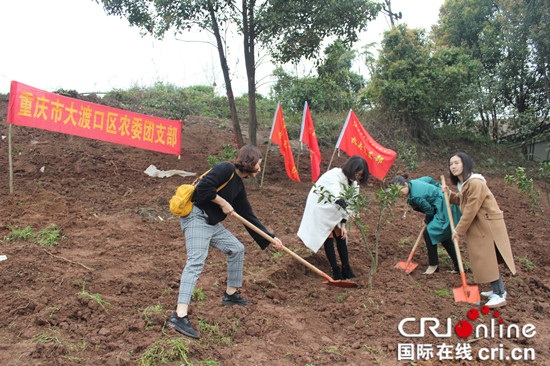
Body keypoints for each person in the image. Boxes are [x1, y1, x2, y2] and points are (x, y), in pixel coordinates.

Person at [167, 145, 283, 339]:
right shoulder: (225, 169)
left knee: (236, 248)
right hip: (196, 217)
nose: (260, 169)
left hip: (211, 223)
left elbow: (248, 215)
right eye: (259, 165)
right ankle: (179, 316)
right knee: (196, 262)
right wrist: (222, 202)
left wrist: (270, 237)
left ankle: (230, 295)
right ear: (250, 162)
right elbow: (202, 189)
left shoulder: (239, 186)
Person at [442, 152, 516, 308]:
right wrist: (448, 194)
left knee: (487, 258)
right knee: (487, 259)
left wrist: (458, 230)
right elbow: (462, 200)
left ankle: (500, 294)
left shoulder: (475, 183)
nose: (453, 166)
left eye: (456, 163)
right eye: (451, 164)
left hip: (487, 226)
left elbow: (470, 209)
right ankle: (496, 289)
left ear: (466, 164)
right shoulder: (466, 184)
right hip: (481, 225)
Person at [297, 155, 369, 280]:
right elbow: (337, 197)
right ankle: (335, 270)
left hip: (337, 211)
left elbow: (351, 202)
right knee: (328, 237)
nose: (356, 177)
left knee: (341, 235)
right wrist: (349, 210)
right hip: (321, 208)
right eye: (356, 174)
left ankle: (347, 269)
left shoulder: (353, 184)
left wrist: (344, 224)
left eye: (359, 176)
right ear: (350, 169)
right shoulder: (334, 175)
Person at [390, 174, 460, 274]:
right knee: (444, 237)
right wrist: (438, 186)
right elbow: (428, 179)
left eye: (399, 189)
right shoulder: (414, 182)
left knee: (429, 233)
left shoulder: (415, 196)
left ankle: (433, 265)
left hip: (444, 208)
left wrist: (426, 221)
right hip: (444, 203)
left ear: (405, 184)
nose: (398, 193)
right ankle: (458, 265)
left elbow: (429, 211)